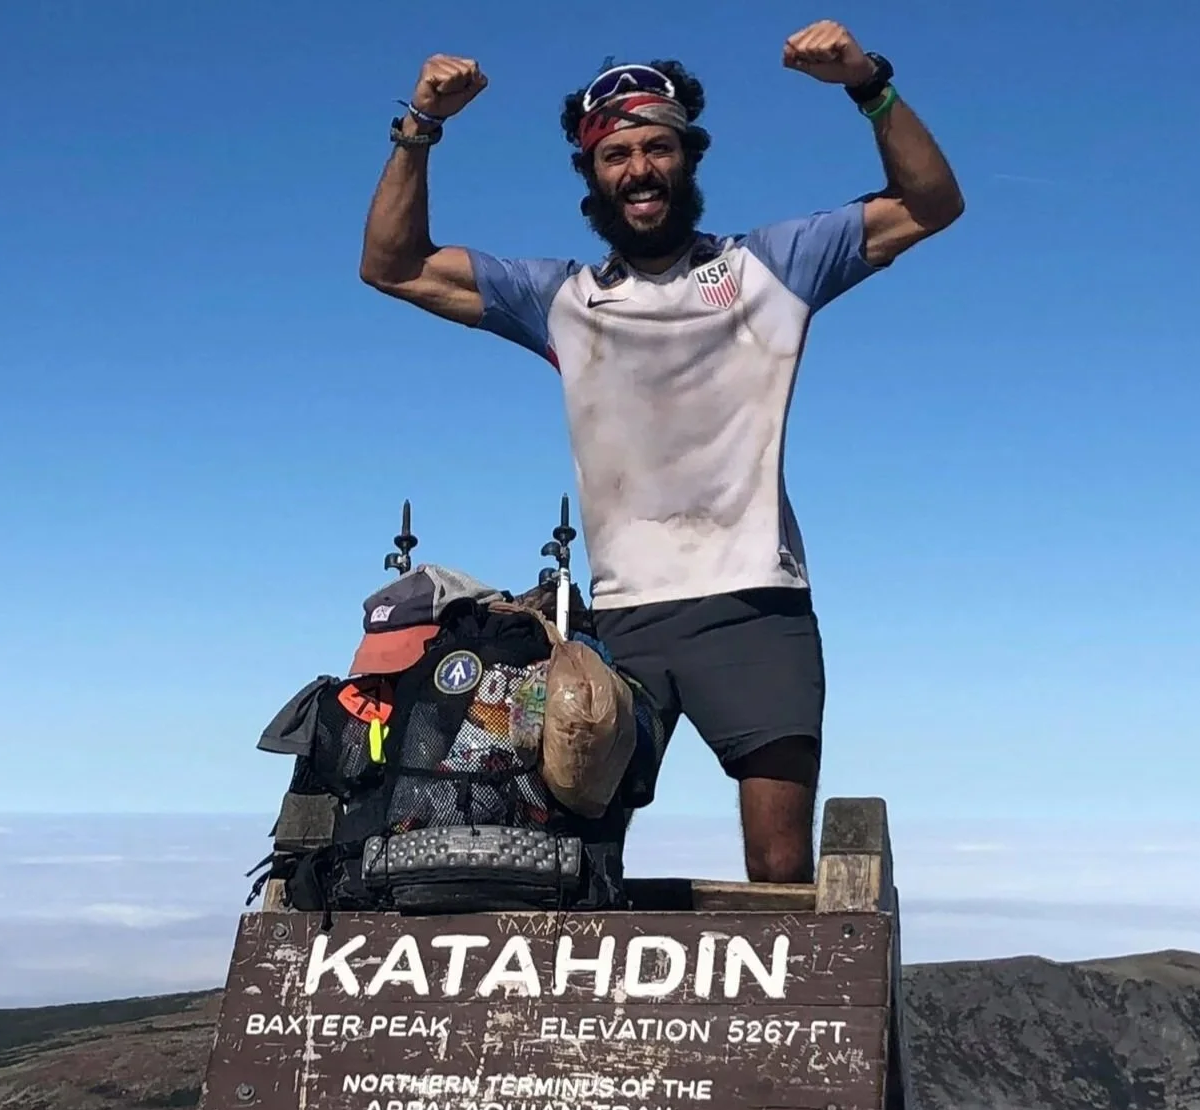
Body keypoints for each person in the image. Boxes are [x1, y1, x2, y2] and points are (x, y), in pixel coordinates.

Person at [358, 19, 964, 883]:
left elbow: (932, 203)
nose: (639, 168)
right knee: (571, 864)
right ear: (592, 174)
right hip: (623, 618)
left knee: (781, 870)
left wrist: (869, 83)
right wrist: (420, 125)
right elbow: (391, 264)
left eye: (657, 148)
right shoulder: (561, 298)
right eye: (616, 155)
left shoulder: (771, 269)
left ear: (688, 159)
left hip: (755, 605)